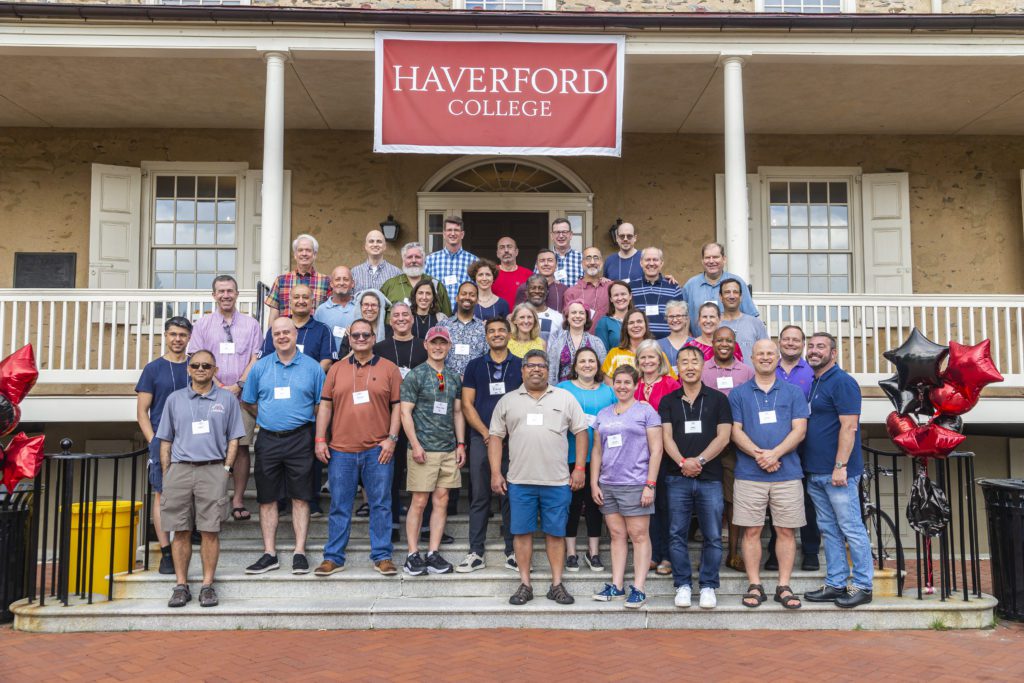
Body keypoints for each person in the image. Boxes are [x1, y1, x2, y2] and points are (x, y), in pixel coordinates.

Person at [489, 349, 589, 606]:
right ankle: (525, 584)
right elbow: (496, 438)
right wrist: (495, 472)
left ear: (548, 370)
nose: (536, 370)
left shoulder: (565, 398)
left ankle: (556, 584)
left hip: (557, 481)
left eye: (541, 366)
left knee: (556, 534)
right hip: (520, 481)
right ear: (522, 370)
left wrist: (579, 468)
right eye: (531, 365)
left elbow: (581, 432)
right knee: (521, 534)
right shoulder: (508, 401)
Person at [314, 318, 403, 577]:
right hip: (341, 450)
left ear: (374, 338)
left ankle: (382, 555)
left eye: (366, 335)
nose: (361, 339)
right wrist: (320, 439)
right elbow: (326, 406)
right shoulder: (337, 369)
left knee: (381, 504)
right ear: (349, 339)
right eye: (356, 335)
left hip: (378, 449)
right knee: (340, 505)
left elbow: (397, 405)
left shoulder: (389, 368)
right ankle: (333, 557)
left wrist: (392, 439)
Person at [157, 349, 245, 608]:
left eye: (206, 365)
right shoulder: (174, 400)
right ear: (188, 369)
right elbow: (165, 440)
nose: (200, 369)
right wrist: (167, 472)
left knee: (210, 531)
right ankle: (181, 585)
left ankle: (207, 585)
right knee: (181, 530)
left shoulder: (227, 401)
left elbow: (234, 438)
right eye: (195, 365)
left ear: (215, 370)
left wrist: (226, 470)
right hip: (180, 469)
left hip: (213, 469)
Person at [241, 317, 326, 576]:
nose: (282, 336)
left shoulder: (313, 368)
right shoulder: (260, 367)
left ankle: (299, 552)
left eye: (286, 332)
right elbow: (248, 401)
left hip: (301, 438)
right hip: (268, 439)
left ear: (295, 334)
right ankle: (270, 553)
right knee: (267, 498)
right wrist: (268, 417)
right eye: (276, 333)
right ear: (272, 337)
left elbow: (321, 405)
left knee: (301, 496)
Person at [728, 339, 809, 610]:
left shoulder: (793, 392)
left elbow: (800, 430)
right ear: (751, 357)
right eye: (760, 353)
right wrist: (760, 455)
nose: (765, 357)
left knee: (785, 530)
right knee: (751, 531)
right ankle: (755, 584)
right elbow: (735, 430)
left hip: (787, 474)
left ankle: (783, 585)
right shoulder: (738, 394)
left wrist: (775, 454)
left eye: (770, 354)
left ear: (777, 358)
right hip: (750, 474)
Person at [801, 332, 873, 608]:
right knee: (828, 529)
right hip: (816, 471)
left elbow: (849, 427)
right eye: (812, 346)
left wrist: (840, 466)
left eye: (821, 347)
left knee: (851, 528)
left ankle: (863, 585)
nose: (814, 351)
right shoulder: (816, 382)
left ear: (834, 353)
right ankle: (835, 582)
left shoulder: (843, 382)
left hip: (838, 472)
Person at [659, 345, 732, 610]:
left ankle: (709, 585)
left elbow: (723, 437)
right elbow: (666, 437)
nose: (689, 366)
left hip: (710, 477)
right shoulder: (668, 401)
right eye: (684, 362)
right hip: (676, 478)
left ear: (703, 366)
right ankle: (683, 585)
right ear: (677, 367)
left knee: (712, 535)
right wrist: (682, 462)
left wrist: (698, 461)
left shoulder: (718, 399)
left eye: (694, 361)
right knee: (676, 533)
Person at [188, 275, 262, 523]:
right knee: (213, 448)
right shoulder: (203, 324)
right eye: (221, 291)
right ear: (214, 295)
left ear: (237, 294)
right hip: (211, 395)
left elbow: (256, 357)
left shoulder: (251, 325)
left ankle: (238, 499)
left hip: (242, 396)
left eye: (230, 290)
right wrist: (218, 386)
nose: (226, 295)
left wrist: (239, 384)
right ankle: (215, 498)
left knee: (241, 448)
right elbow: (196, 358)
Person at [589, 365, 663, 608]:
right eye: (618, 382)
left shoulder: (646, 411)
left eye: (627, 382)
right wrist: (594, 482)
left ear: (635, 384)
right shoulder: (604, 414)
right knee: (617, 535)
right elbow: (597, 450)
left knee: (639, 536)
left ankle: (639, 588)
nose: (622, 386)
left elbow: (657, 450)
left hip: (635, 483)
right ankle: (617, 585)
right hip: (608, 483)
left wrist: (649, 484)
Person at [456, 317, 523, 573]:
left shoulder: (520, 365)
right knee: (480, 495)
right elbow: (466, 404)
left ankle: (512, 551)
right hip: (481, 438)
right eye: (492, 331)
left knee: (511, 496)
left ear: (509, 334)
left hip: (514, 441)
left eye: (501, 331)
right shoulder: (474, 366)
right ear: (486, 336)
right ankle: (476, 552)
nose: (496, 334)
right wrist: (487, 433)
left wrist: (505, 434)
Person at [400, 327, 465, 576]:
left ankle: (433, 552)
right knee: (419, 501)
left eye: (443, 343)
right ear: (426, 345)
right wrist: (415, 444)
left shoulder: (453, 377)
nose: (439, 347)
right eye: (434, 343)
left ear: (449, 347)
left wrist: (461, 444)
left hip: (448, 448)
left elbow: (457, 412)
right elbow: (405, 412)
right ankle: (412, 554)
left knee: (442, 501)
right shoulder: (415, 376)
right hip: (423, 449)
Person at [135, 316, 192, 574]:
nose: (177, 339)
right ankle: (166, 550)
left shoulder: (197, 366)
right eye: (173, 334)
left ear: (189, 337)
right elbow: (142, 411)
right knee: (162, 495)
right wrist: (153, 440)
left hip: (194, 441)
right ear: (165, 336)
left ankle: (189, 536)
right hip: (163, 442)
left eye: (182, 334)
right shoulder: (153, 369)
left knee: (193, 493)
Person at [765, 324, 821, 572]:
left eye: (795, 340)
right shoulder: (768, 369)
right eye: (786, 339)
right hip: (773, 444)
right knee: (775, 499)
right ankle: (774, 553)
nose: (790, 343)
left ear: (803, 344)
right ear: (779, 342)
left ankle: (810, 551)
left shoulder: (813, 372)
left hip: (805, 444)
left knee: (808, 499)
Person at [373, 301, 429, 540]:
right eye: (396, 315)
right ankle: (393, 526)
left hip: (422, 419)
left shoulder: (424, 346)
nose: (401, 318)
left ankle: (425, 527)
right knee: (391, 476)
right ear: (389, 320)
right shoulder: (380, 348)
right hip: (390, 418)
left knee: (423, 474)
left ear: (412, 318)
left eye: (405, 314)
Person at [557, 348, 616, 572]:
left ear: (598, 365)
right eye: (582, 361)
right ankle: (571, 553)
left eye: (592, 361)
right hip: (568, 456)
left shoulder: (608, 392)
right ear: (575, 365)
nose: (587, 364)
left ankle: (594, 552)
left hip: (601, 457)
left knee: (594, 504)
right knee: (571, 504)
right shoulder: (563, 389)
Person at [701, 326, 754, 572]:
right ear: (712, 342)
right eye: (719, 340)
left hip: (735, 446)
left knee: (733, 500)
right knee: (708, 500)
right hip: (706, 444)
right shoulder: (702, 369)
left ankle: (733, 554)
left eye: (728, 340)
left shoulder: (747, 371)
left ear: (735, 344)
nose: (724, 344)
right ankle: (707, 553)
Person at [634, 339, 680, 578]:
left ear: (660, 360)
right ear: (637, 361)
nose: (648, 361)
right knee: (646, 507)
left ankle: (667, 555)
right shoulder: (634, 385)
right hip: (638, 456)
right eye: (643, 357)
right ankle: (651, 554)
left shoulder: (671, 384)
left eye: (652, 357)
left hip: (665, 454)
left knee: (665, 505)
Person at [682, 242, 758, 337]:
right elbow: (682, 317)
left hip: (731, 346)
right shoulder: (691, 285)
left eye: (715, 257)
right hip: (700, 346)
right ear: (702, 261)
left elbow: (751, 317)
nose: (711, 261)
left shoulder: (737, 283)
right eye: (707, 257)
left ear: (724, 259)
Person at [258, 283, 335, 373]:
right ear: (290, 303)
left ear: (312, 302)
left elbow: (327, 362)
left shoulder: (323, 330)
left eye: (305, 297)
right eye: (296, 297)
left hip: (311, 384)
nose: (301, 301)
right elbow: (264, 359)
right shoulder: (276, 329)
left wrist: (307, 379)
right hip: (278, 383)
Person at [264, 233, 330, 324]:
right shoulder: (281, 281)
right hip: (286, 335)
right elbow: (273, 315)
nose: (304, 253)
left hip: (316, 336)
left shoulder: (325, 281)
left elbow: (330, 312)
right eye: (300, 250)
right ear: (295, 254)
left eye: (308, 250)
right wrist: (270, 337)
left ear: (314, 254)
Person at [380, 241, 453, 318]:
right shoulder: (390, 285)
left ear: (423, 260)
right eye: (409, 257)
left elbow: (447, 318)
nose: (413, 260)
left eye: (417, 257)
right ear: (404, 260)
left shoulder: (436, 285)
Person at [601, 310, 676, 381]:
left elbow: (671, 384)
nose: (635, 325)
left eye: (639, 321)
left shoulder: (658, 355)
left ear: (645, 325)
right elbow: (610, 388)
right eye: (631, 323)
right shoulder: (614, 354)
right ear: (626, 327)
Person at [545, 302, 607, 383]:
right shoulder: (557, 343)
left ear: (586, 317)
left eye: (581, 313)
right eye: (573, 313)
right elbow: (551, 372)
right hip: (563, 391)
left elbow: (603, 370)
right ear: (567, 317)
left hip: (589, 390)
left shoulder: (597, 342)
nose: (577, 316)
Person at [424, 215, 478, 305]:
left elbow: (478, 290)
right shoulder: (430, 260)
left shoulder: (474, 261)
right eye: (449, 230)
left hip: (464, 314)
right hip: (437, 314)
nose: (452, 233)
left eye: (456, 230)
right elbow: (423, 288)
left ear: (462, 234)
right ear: (444, 234)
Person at [631, 247, 682, 339]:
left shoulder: (673, 287)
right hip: (639, 343)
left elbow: (682, 318)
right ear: (641, 263)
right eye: (647, 260)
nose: (651, 263)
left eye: (655, 260)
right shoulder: (631, 287)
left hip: (667, 343)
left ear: (661, 263)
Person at [440, 281, 487, 377]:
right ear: (456, 298)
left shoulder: (483, 328)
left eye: (472, 295)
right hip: (446, 383)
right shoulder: (443, 326)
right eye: (463, 294)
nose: (467, 297)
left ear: (477, 300)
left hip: (475, 383)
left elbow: (487, 358)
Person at [719, 278, 768, 364]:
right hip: (721, 376)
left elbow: (766, 352)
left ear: (741, 297)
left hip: (751, 377)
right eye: (727, 292)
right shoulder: (714, 324)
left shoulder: (755, 323)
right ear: (721, 297)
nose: (731, 296)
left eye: (735, 292)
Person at [314, 266, 358, 355]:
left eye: (346, 279)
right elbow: (316, 339)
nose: (341, 283)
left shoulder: (360, 307)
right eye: (337, 279)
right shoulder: (321, 311)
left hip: (356, 362)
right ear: (331, 284)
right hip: (328, 362)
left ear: (352, 283)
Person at [565, 247, 612, 326]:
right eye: (588, 258)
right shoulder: (571, 292)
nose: (592, 262)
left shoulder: (611, 287)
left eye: (596, 258)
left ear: (601, 262)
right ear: (582, 263)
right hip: (582, 337)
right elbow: (568, 322)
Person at [515, 250, 568, 314]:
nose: (546, 264)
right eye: (542, 261)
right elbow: (517, 314)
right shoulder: (524, 288)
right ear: (536, 265)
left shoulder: (563, 290)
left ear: (556, 265)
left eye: (550, 260)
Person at [351, 229, 401, 293]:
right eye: (371, 241)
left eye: (379, 241)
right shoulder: (354, 273)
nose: (375, 244)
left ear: (385, 246)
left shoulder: (396, 273)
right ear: (366, 246)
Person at [492, 235, 533, 309]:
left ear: (516, 252)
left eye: (509, 247)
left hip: (521, 319)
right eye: (502, 247)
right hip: (496, 319)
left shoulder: (528, 274)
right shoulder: (490, 274)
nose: (506, 250)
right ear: (497, 253)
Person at [593, 281, 632, 353]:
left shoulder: (638, 319)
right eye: (616, 295)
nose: (620, 298)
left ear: (630, 296)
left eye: (623, 294)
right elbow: (602, 353)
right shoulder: (604, 322)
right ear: (611, 299)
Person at [543, 217, 582, 286]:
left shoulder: (582, 258)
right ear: (552, 236)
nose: (561, 236)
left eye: (564, 232)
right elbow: (536, 282)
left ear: (570, 235)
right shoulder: (543, 259)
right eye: (557, 232)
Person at [523, 275, 563, 342]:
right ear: (526, 292)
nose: (537, 291)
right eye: (533, 288)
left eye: (541, 288)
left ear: (547, 292)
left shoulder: (559, 318)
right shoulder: (518, 317)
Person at [603, 221, 644, 286]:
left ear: (635, 238)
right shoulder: (609, 260)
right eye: (622, 236)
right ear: (617, 238)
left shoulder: (644, 258)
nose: (625, 239)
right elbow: (605, 285)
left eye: (629, 236)